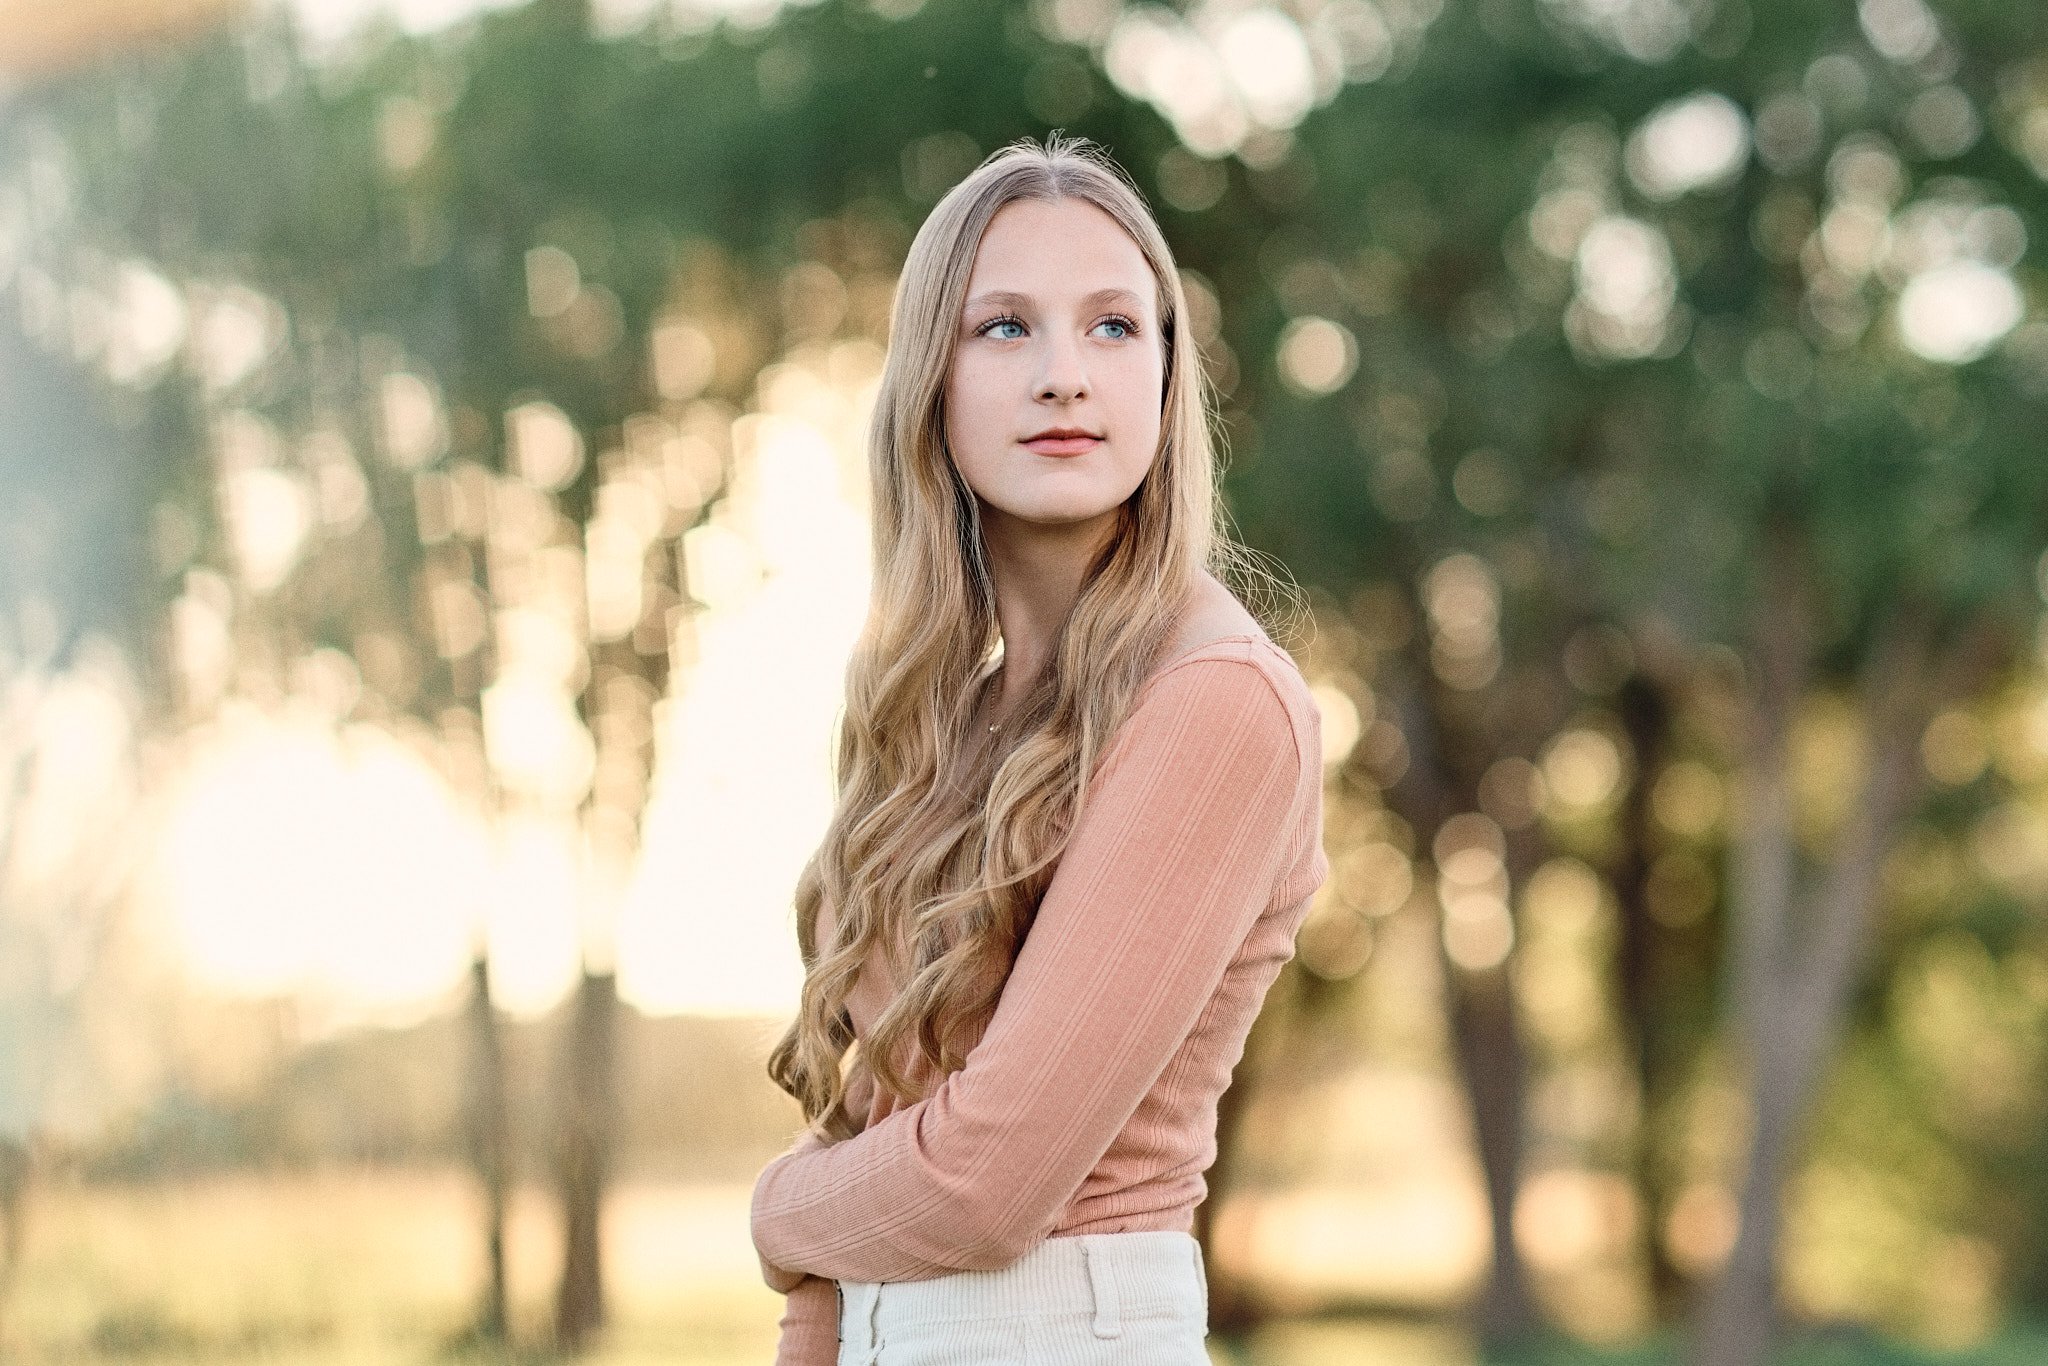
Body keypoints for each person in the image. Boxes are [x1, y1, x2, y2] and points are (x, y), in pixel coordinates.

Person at [751, 132, 1330, 1365]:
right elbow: (864, 1145)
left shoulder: (1215, 703)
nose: (1065, 374)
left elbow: (981, 1184)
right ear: (930, 382)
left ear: (1168, 379)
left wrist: (773, 1212)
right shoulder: (947, 725)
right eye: (1004, 327)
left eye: (1114, 326)